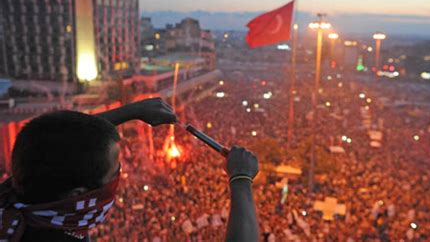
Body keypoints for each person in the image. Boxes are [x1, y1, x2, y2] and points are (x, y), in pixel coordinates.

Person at [0, 98, 259, 242]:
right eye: (114, 172)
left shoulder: (15, 197)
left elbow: (55, 147)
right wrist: (241, 178)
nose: (120, 176)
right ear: (78, 194)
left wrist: (133, 111)